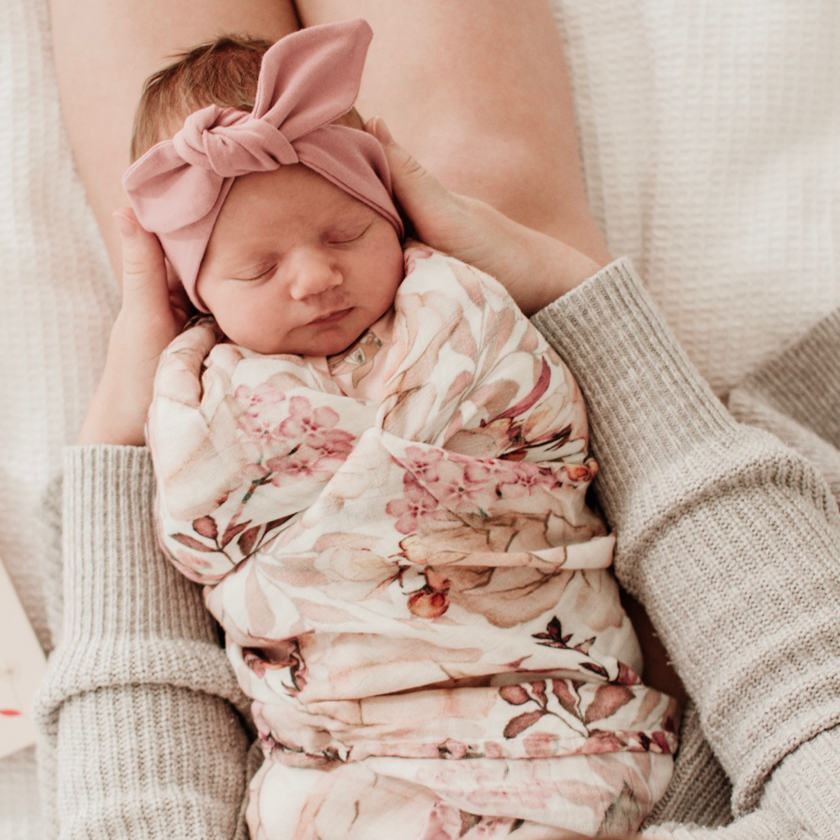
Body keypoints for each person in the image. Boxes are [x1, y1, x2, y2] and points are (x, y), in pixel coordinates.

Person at [28, 1, 840, 839]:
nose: (309, 278)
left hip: (343, 727)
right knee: (486, 196)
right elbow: (817, 719)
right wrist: (563, 290)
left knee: (187, 267)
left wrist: (128, 436)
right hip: (649, 708)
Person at [127, 22, 677, 838]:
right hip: (366, 737)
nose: (315, 278)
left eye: (347, 233)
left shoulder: (456, 308)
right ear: (196, 293)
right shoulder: (198, 393)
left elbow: (541, 428)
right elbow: (205, 540)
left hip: (540, 693)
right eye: (258, 268)